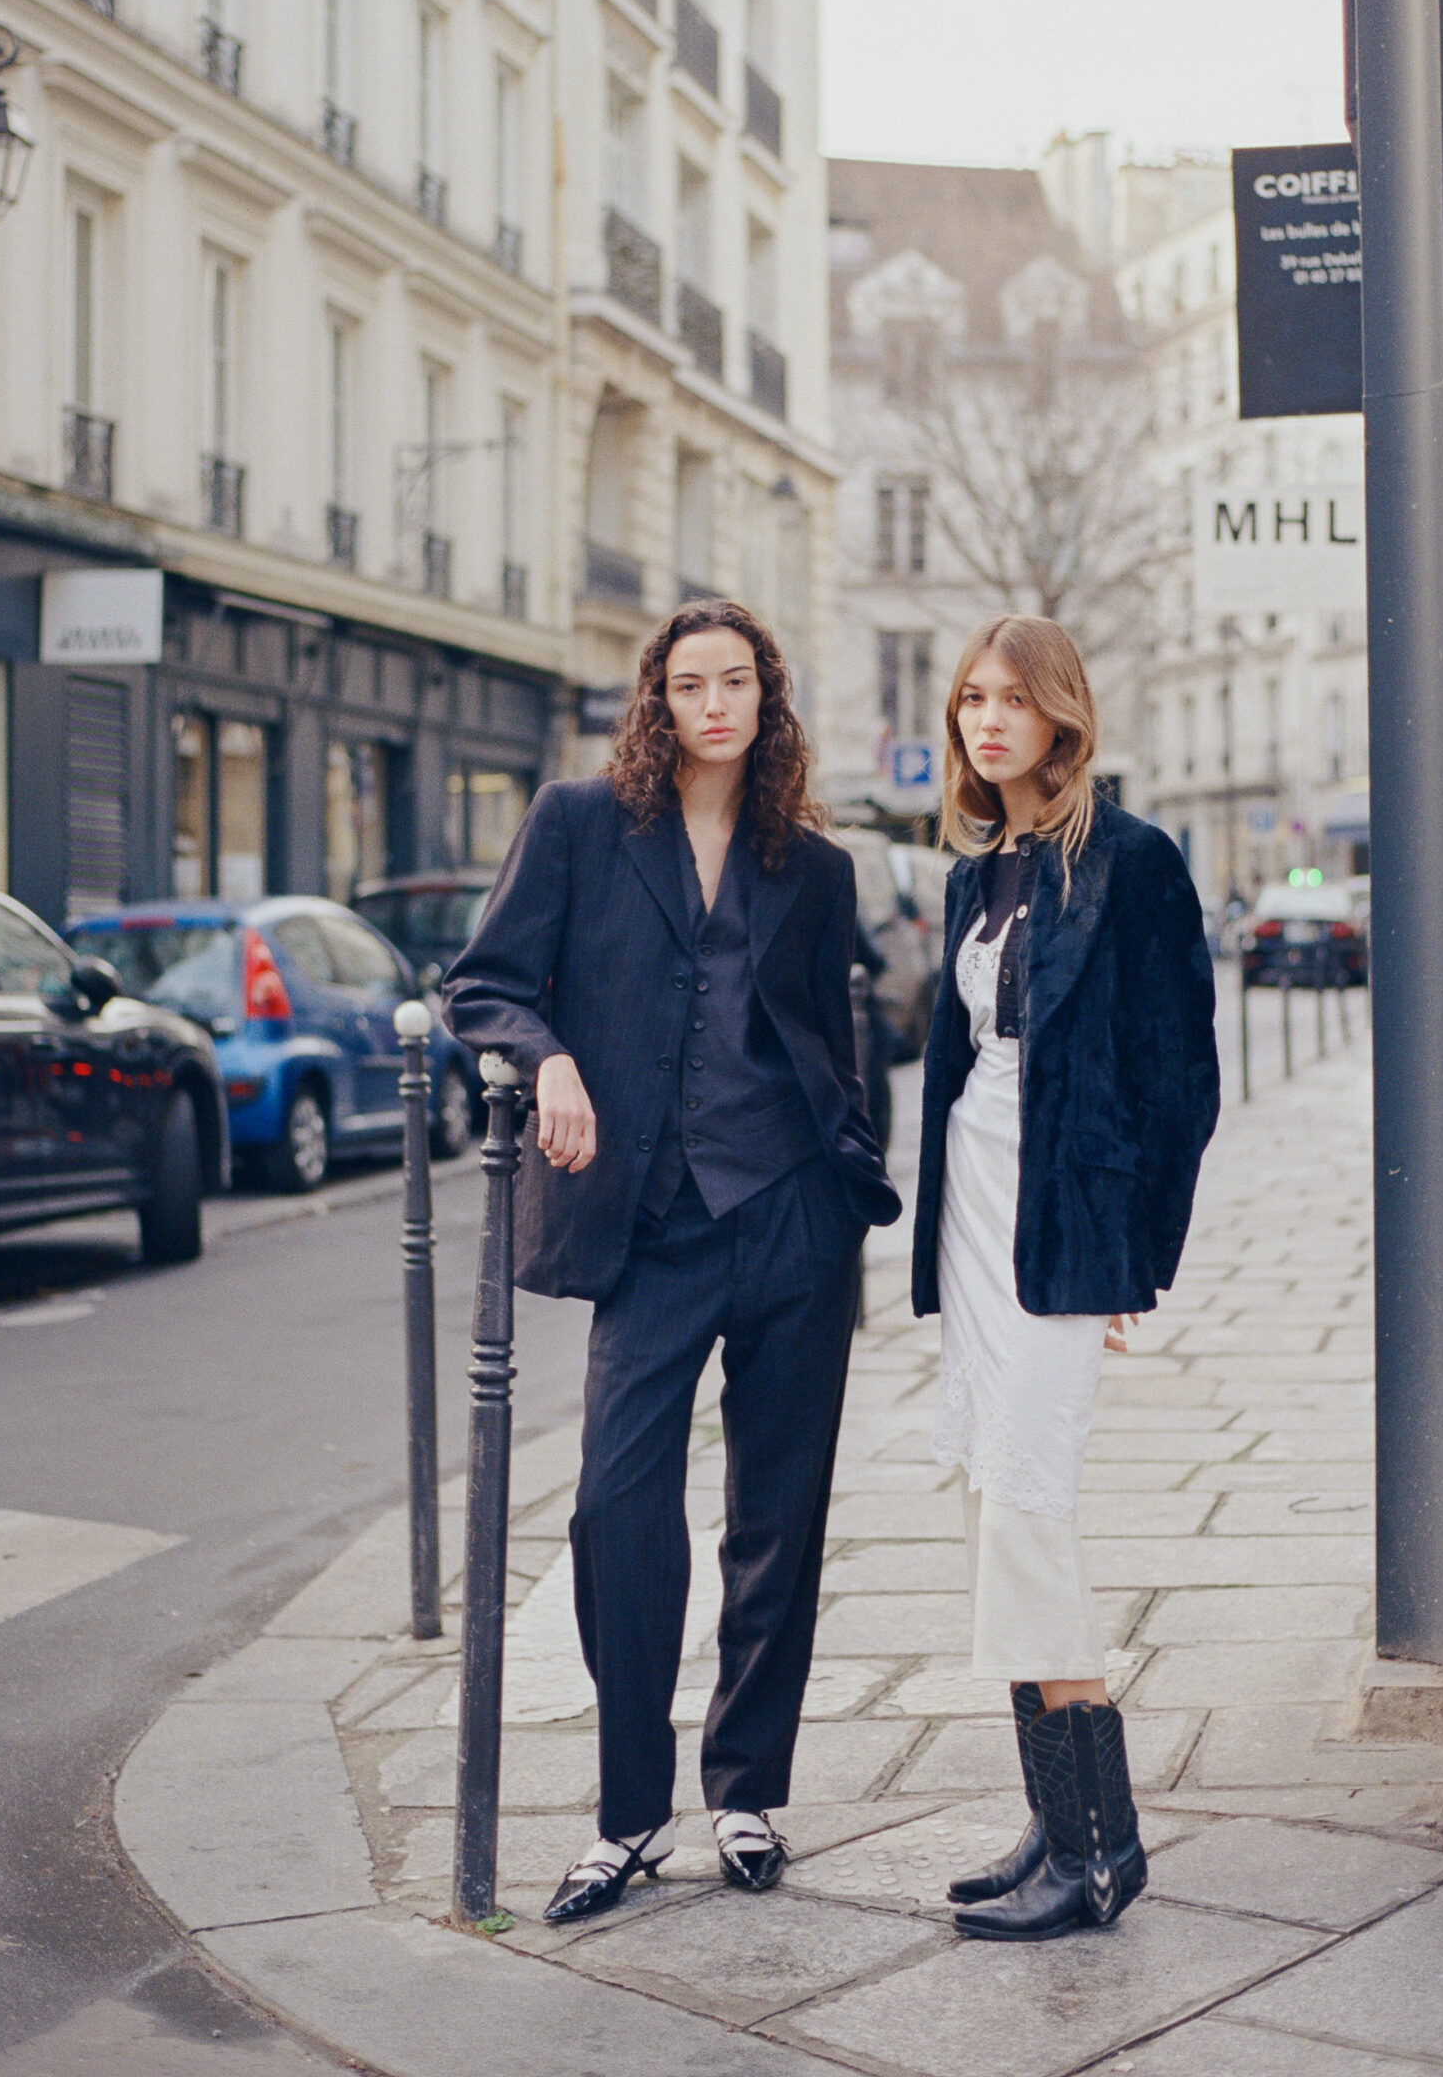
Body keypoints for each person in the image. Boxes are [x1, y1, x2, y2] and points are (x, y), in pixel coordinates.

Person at [441, 600, 899, 1923]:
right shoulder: (580, 824)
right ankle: (630, 1811)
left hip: (793, 1217)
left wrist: (850, 1174)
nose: (713, 704)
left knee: (779, 1514)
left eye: (735, 682)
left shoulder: (813, 866)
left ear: (766, 700)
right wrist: (549, 1061)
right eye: (690, 684)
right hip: (650, 1227)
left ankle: (747, 1792)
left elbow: (831, 1039)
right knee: (614, 1505)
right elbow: (481, 984)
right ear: (657, 699)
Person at [913, 614, 1218, 1941]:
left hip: (1063, 1222)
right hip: (974, 1215)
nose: (986, 721)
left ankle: (1102, 1854)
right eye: (970, 700)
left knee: (1030, 1505)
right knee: (989, 1502)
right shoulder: (976, 874)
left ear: (1061, 716)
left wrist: (1132, 1259)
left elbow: (1180, 1077)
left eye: (1011, 700)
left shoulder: (1131, 861)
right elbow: (963, 1065)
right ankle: (1055, 1823)